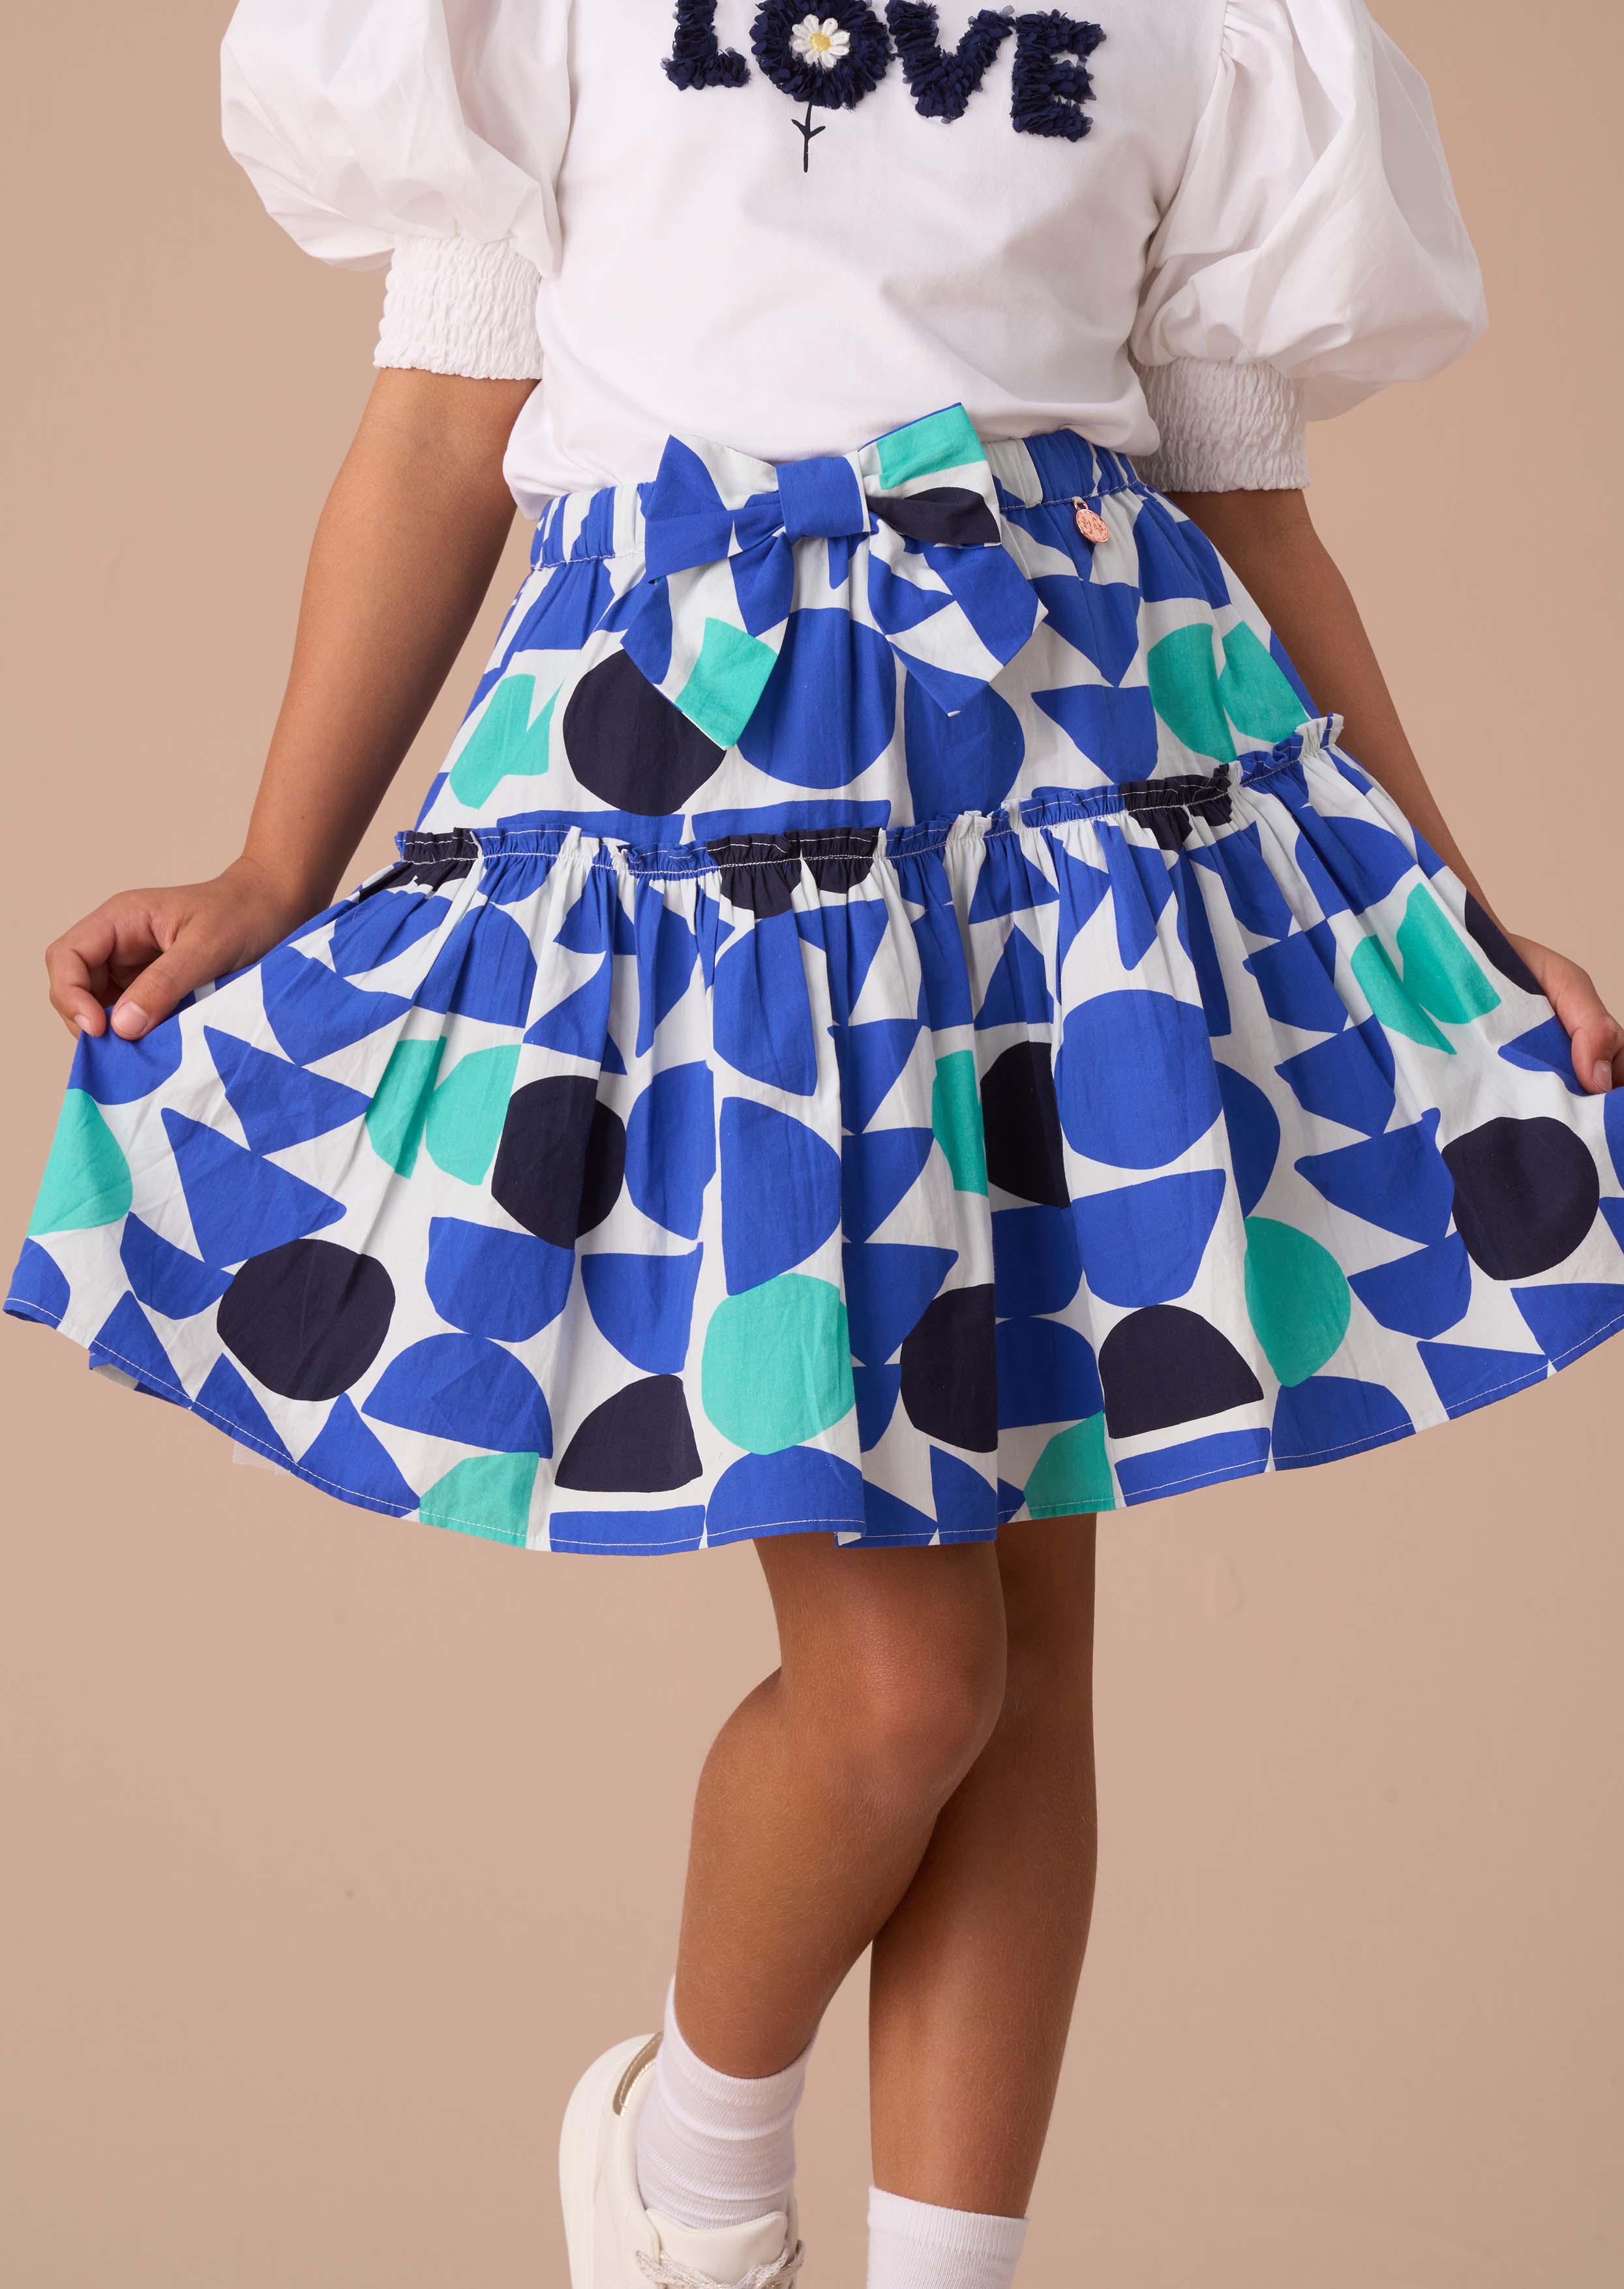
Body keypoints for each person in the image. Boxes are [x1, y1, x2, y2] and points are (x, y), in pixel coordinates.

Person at [10, 4, 1623, 2284]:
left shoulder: (1207, 22)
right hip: (711, 829)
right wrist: (279, 870)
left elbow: (1246, 513)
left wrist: (1444, 911)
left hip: (1068, 828)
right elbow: (446, 420)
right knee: (907, 1685)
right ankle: (689, 2168)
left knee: (1029, 1666)